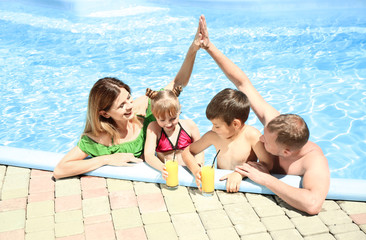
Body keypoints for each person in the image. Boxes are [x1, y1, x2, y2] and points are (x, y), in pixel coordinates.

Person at [198, 15, 330, 215]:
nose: (259, 137)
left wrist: (266, 179)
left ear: (285, 152)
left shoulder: (313, 160)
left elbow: (313, 204)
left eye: (266, 141)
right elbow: (242, 83)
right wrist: (209, 47)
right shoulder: (275, 124)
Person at [53, 18, 204, 179]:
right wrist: (106, 159)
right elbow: (60, 170)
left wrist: (193, 48)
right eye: (121, 105)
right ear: (104, 113)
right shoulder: (99, 138)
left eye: (128, 98)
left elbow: (178, 83)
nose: (130, 106)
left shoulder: (147, 108)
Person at [182, 88, 274, 193]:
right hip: (220, 186)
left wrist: (240, 173)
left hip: (245, 187)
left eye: (216, 126)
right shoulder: (213, 136)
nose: (212, 129)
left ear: (235, 124)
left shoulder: (252, 136)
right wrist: (196, 170)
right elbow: (187, 151)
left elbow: (268, 164)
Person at [144, 86, 204, 180]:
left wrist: (198, 165)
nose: (168, 124)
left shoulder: (189, 126)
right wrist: (162, 168)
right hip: (168, 174)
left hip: (189, 172)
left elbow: (200, 149)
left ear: (179, 110)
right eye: (162, 120)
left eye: (173, 118)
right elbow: (148, 155)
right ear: (154, 114)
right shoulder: (154, 128)